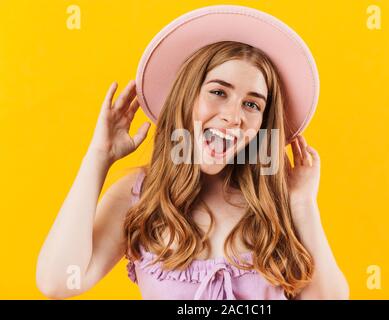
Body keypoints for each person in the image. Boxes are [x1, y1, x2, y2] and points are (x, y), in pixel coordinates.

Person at [36, 6, 349, 300]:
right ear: (186, 97)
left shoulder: (277, 202)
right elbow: (58, 282)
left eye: (251, 104)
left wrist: (303, 204)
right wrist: (99, 156)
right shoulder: (140, 196)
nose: (233, 116)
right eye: (218, 92)